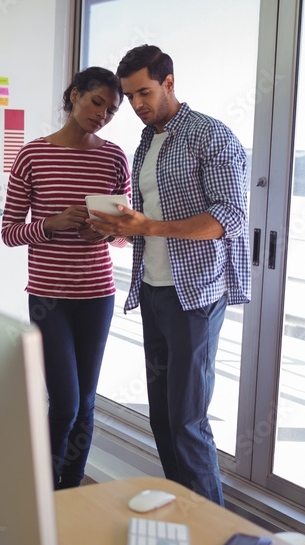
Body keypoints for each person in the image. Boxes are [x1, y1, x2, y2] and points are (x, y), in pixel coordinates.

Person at [88, 45, 250, 506]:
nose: (136, 105)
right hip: (153, 289)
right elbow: (149, 214)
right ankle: (185, 514)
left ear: (169, 83)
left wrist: (149, 227)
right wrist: (119, 227)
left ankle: (213, 528)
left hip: (195, 294)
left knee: (187, 419)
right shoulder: (146, 141)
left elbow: (230, 217)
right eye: (130, 96)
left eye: (144, 92)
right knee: (161, 416)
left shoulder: (211, 136)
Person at [1, 66, 131, 490]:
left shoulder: (114, 157)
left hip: (97, 294)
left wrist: (106, 231)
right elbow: (8, 233)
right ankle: (40, 489)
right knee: (66, 402)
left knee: (87, 403)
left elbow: (126, 234)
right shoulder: (32, 155)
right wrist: (51, 224)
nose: (103, 115)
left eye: (112, 110)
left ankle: (71, 491)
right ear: (74, 95)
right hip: (48, 296)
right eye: (97, 103)